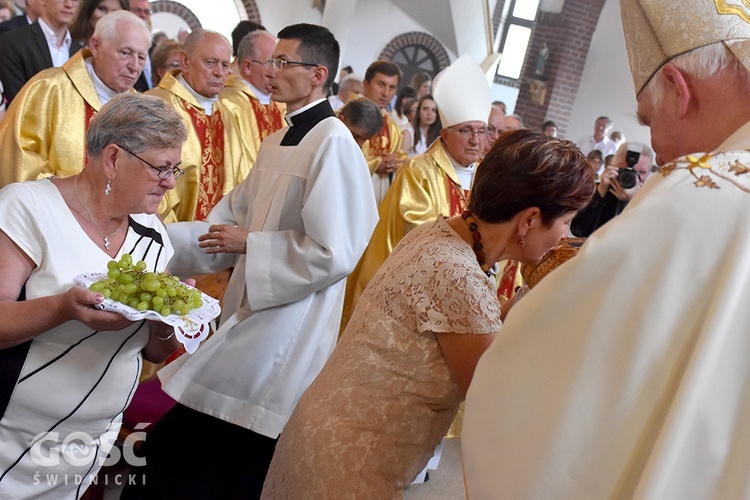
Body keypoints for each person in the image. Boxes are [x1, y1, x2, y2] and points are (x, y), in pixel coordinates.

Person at [462, 0, 750, 497]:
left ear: (680, 92)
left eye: (648, 120)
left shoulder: (694, 193)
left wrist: (532, 313)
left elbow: (537, 385)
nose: (654, 147)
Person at [262, 129, 595, 499]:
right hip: (352, 462)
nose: (566, 236)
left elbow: (469, 327)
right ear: (529, 220)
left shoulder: (439, 233)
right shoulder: (458, 276)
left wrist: (526, 295)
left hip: (324, 430)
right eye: (566, 221)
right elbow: (495, 395)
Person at [122, 23, 379, 499]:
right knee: (199, 461)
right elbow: (224, 230)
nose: (270, 70)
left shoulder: (334, 145)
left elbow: (337, 250)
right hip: (250, 317)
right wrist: (144, 241)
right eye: (270, 61)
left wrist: (253, 245)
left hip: (283, 334)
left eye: (284, 63)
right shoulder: (278, 141)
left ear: (318, 74)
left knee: (197, 455)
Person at [0, 92, 186, 498]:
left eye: (176, 169)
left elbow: (154, 352)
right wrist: (62, 307)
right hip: (11, 432)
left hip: (91, 440)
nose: (171, 183)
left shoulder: (154, 236)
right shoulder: (27, 207)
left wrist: (169, 319)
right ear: (114, 158)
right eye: (161, 168)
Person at [342, 54, 491, 334]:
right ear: (445, 134)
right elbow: (418, 227)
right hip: (410, 289)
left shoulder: (488, 178)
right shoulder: (420, 169)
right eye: (467, 131)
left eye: (481, 132)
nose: (475, 140)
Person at [0, 10, 151, 188]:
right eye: (125, 53)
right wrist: (71, 198)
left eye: (141, 57)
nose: (134, 67)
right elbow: (19, 157)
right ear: (95, 46)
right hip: (56, 210)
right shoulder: (49, 89)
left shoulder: (142, 111)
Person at [147, 29, 248, 224]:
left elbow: (241, 180)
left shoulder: (227, 115)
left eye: (225, 65)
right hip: (170, 237)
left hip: (220, 243)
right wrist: (174, 235)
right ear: (185, 61)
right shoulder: (156, 105)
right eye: (210, 63)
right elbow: (145, 179)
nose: (219, 73)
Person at [218, 29, 285, 167]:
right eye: (269, 63)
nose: (276, 72)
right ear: (248, 66)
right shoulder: (226, 104)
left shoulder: (282, 106)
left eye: (279, 64)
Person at [0, 0, 83, 104]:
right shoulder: (12, 41)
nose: (69, 4)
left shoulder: (80, 52)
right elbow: (17, 99)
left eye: (75, 0)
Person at [571, 141, 652, 237]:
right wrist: (600, 193)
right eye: (626, 170)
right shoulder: (597, 189)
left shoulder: (651, 201)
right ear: (613, 167)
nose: (633, 177)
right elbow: (577, 230)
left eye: (641, 172)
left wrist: (634, 202)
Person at [361, 59, 408, 204]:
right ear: (365, 84)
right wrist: (376, 164)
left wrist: (396, 163)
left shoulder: (392, 126)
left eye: (392, 87)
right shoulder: (345, 117)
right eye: (381, 84)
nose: (386, 93)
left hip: (382, 199)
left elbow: (401, 157)